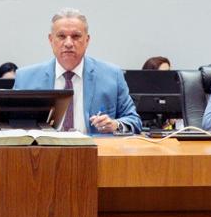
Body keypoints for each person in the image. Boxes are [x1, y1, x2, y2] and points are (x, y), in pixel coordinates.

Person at [13, 8, 142, 135]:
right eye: (61, 36)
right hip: (44, 148)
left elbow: (134, 121)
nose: (68, 43)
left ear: (87, 40)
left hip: (96, 148)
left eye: (76, 36)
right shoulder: (26, 79)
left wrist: (115, 125)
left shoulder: (112, 75)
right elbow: (10, 125)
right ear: (51, 40)